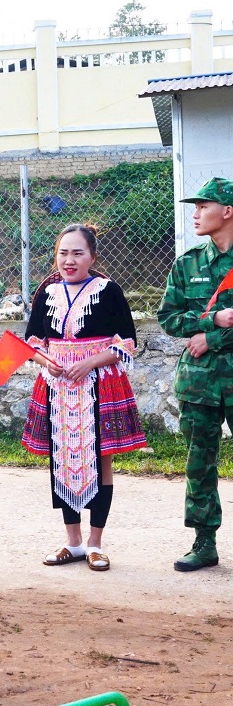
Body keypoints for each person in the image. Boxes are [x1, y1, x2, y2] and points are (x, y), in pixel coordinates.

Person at [22, 224, 146, 572]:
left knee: (99, 459)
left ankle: (95, 544)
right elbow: (31, 344)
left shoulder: (108, 291)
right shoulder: (45, 293)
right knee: (62, 457)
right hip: (57, 388)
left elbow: (127, 344)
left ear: (92, 256)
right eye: (63, 252)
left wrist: (89, 362)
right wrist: (47, 361)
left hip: (98, 384)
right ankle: (72, 542)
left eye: (77, 253)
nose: (69, 260)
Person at [157, 177, 233, 572]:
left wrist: (213, 338)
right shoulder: (187, 263)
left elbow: (208, 335)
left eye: (203, 205)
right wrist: (211, 319)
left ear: (227, 211)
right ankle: (204, 543)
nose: (196, 213)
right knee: (199, 464)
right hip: (200, 383)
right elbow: (167, 318)